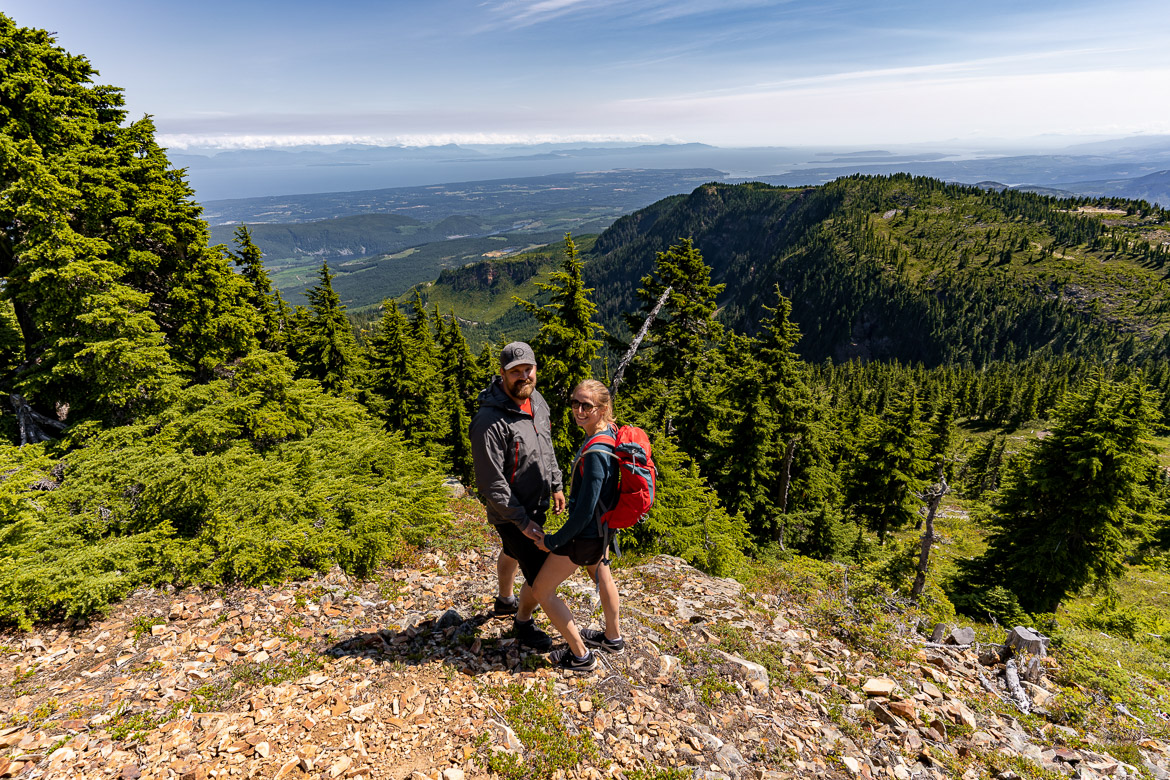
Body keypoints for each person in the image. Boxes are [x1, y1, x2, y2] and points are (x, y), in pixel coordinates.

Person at [470, 341, 566, 652]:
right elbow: (491, 483)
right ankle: (523, 623)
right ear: (502, 374)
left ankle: (504, 600)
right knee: (541, 576)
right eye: (515, 372)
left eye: (528, 369)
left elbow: (545, 446)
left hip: (536, 502)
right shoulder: (489, 422)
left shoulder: (536, 400)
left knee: (511, 552)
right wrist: (522, 522)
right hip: (511, 513)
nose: (523, 376)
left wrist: (555, 483)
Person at [531, 379, 625, 672]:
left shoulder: (597, 452)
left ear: (603, 408)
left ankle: (580, 655)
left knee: (541, 591)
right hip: (601, 531)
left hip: (584, 536)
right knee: (602, 574)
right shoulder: (610, 434)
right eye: (575, 403)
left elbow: (583, 511)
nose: (579, 410)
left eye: (587, 405)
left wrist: (554, 541)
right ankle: (613, 637)